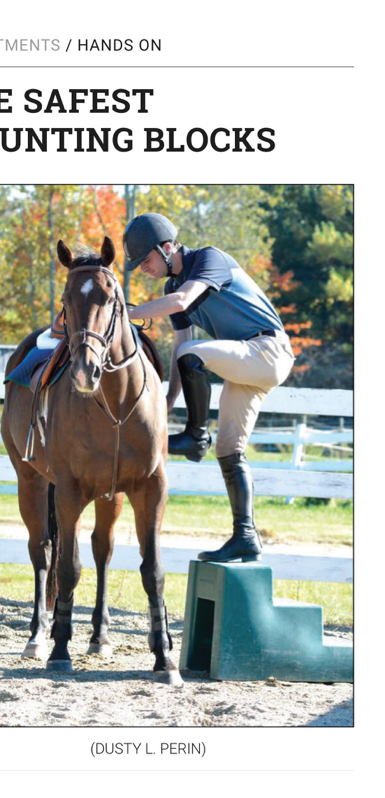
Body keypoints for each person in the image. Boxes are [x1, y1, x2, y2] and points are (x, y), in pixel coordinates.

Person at [124, 212, 295, 563]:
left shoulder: (209, 259)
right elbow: (180, 345)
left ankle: (195, 436)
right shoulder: (171, 287)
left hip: (268, 350)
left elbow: (185, 303)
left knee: (193, 355)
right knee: (230, 449)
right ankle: (245, 536)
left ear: (168, 247)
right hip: (246, 362)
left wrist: (127, 313)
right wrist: (167, 398)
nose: (143, 267)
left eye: (146, 259)